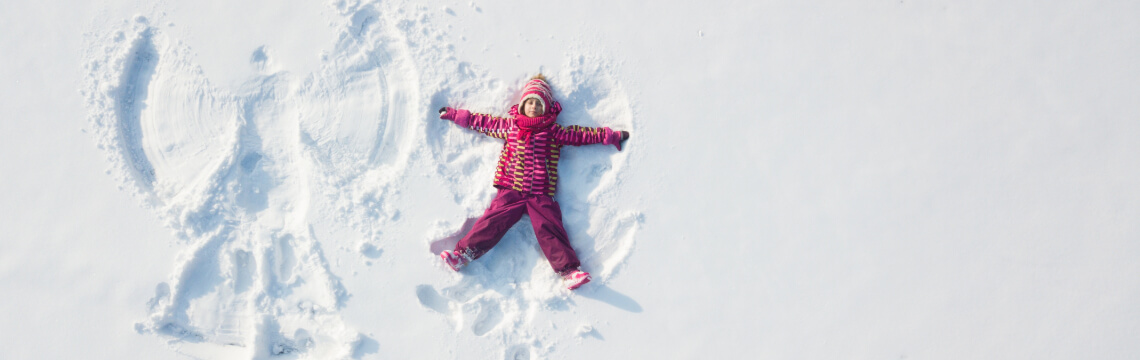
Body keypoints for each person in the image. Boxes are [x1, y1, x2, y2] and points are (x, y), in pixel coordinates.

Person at [436, 74, 629, 290]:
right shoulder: (511, 127)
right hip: (511, 189)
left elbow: (580, 135)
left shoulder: (553, 132)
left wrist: (610, 136)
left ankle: (569, 272)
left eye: (539, 103)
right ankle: (463, 255)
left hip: (541, 193)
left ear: (546, 108)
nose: (534, 107)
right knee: (492, 222)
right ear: (522, 105)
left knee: (550, 228)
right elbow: (482, 122)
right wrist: (455, 115)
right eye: (530, 102)